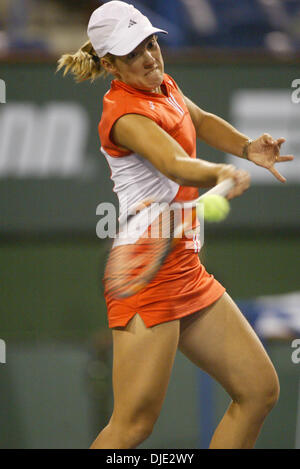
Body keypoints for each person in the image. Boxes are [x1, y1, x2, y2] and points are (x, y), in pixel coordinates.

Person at [57, 1, 293, 449]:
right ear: (109, 64)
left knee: (259, 390)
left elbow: (199, 121)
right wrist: (218, 173)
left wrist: (246, 148)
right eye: (133, 53)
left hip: (184, 267)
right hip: (147, 274)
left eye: (150, 43)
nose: (149, 57)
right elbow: (175, 163)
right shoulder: (123, 115)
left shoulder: (163, 84)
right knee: (132, 426)